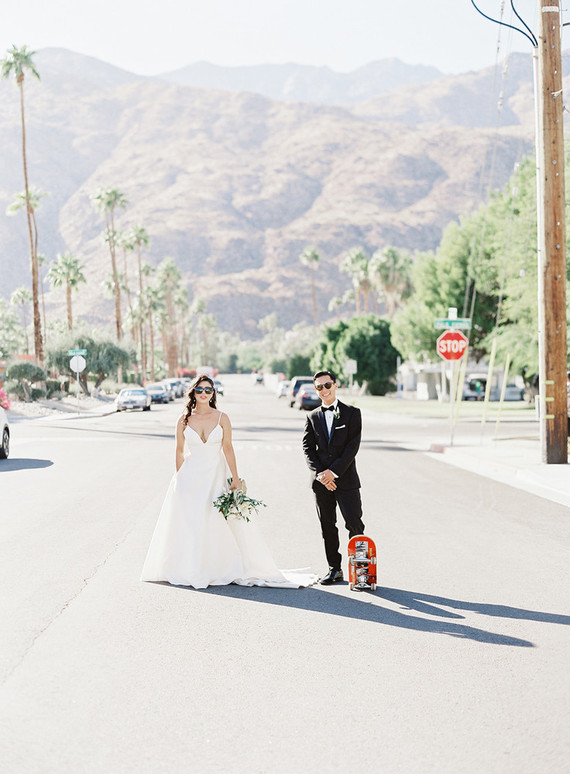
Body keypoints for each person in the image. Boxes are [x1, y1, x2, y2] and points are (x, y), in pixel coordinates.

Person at [141, 374, 316, 589]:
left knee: (215, 520)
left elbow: (228, 448)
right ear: (193, 393)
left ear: (213, 393)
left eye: (208, 390)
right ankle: (191, 567)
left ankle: (218, 567)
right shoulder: (183, 419)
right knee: (192, 523)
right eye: (200, 390)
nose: (204, 393)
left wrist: (235, 478)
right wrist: (179, 479)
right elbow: (178, 452)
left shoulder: (222, 417)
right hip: (190, 478)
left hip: (215, 476)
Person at [302, 370, 366, 585]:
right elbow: (308, 448)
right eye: (319, 387)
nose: (324, 390)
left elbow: (352, 447)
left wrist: (334, 472)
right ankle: (334, 569)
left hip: (346, 480)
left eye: (327, 385)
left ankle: (361, 570)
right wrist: (322, 475)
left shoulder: (352, 413)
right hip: (321, 483)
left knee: (354, 524)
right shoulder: (312, 417)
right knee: (327, 526)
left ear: (335, 385)